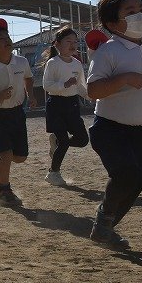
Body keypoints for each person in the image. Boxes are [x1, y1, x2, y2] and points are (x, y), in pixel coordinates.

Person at [86, 0, 142, 250]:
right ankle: (104, 218)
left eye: (140, 9)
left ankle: (105, 228)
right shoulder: (108, 52)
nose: (138, 15)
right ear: (111, 23)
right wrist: (125, 79)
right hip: (110, 129)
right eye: (130, 11)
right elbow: (93, 91)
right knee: (127, 174)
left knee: (137, 181)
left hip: (139, 130)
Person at [0, 18, 37, 207]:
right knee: (7, 154)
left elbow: (28, 78)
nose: (6, 39)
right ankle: (4, 191)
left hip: (17, 113)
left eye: (7, 35)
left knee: (21, 157)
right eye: (0, 38)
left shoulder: (22, 61)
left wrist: (31, 95)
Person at [41, 27, 89, 186]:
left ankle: (56, 141)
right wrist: (64, 84)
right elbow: (47, 85)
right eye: (68, 41)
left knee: (82, 140)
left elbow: (81, 86)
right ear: (57, 44)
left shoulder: (77, 64)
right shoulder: (53, 62)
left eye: (75, 41)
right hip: (56, 105)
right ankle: (53, 173)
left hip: (72, 105)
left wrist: (92, 96)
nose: (73, 45)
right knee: (64, 142)